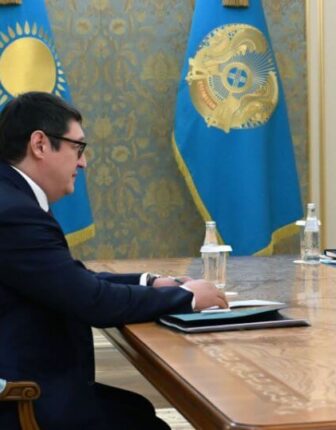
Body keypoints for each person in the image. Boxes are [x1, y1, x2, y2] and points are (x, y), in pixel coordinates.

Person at [0, 92, 229, 429]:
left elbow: (70, 279)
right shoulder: (14, 213)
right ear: (40, 144)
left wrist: (152, 282)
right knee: (144, 423)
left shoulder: (12, 198)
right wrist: (187, 298)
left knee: (138, 412)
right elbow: (91, 301)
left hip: (33, 380)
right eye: (78, 148)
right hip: (22, 400)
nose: (83, 162)